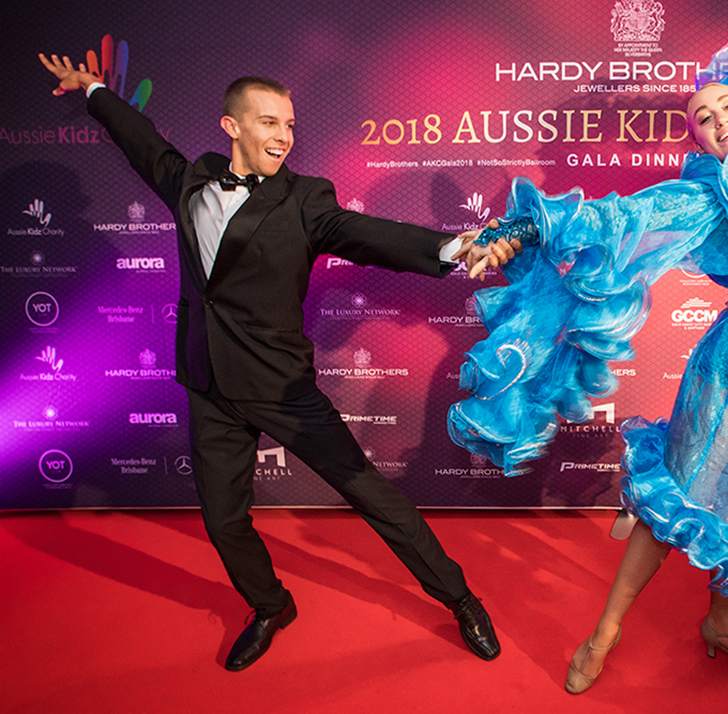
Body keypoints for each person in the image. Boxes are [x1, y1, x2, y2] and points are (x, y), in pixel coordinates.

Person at [38, 53, 517, 671]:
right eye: (268, 123)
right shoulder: (187, 182)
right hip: (208, 383)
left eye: (289, 125)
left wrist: (454, 246)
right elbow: (140, 140)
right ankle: (269, 606)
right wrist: (95, 89)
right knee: (224, 520)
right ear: (231, 127)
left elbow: (366, 231)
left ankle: (460, 598)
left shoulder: (305, 200)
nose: (284, 136)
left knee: (373, 497)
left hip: (282, 386)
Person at [449, 27, 728, 691]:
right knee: (675, 502)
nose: (718, 122)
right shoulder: (706, 198)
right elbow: (615, 219)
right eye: (703, 119)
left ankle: (722, 621)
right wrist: (518, 227)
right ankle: (605, 632)